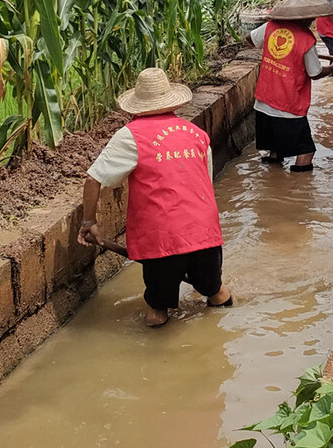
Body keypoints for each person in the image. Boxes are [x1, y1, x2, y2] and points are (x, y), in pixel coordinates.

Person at [78, 67, 232, 328]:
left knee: (157, 311)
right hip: (204, 231)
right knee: (216, 291)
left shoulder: (131, 136)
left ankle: (156, 358)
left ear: (136, 106)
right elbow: (205, 182)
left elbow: (94, 180)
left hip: (162, 237)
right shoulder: (196, 133)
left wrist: (87, 222)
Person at [248, 0, 333, 172]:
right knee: (306, 152)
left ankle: (272, 186)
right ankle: (296, 192)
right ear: (306, 18)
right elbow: (315, 73)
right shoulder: (306, 39)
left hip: (263, 101)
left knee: (274, 151)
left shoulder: (271, 26)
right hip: (288, 106)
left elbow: (250, 39)